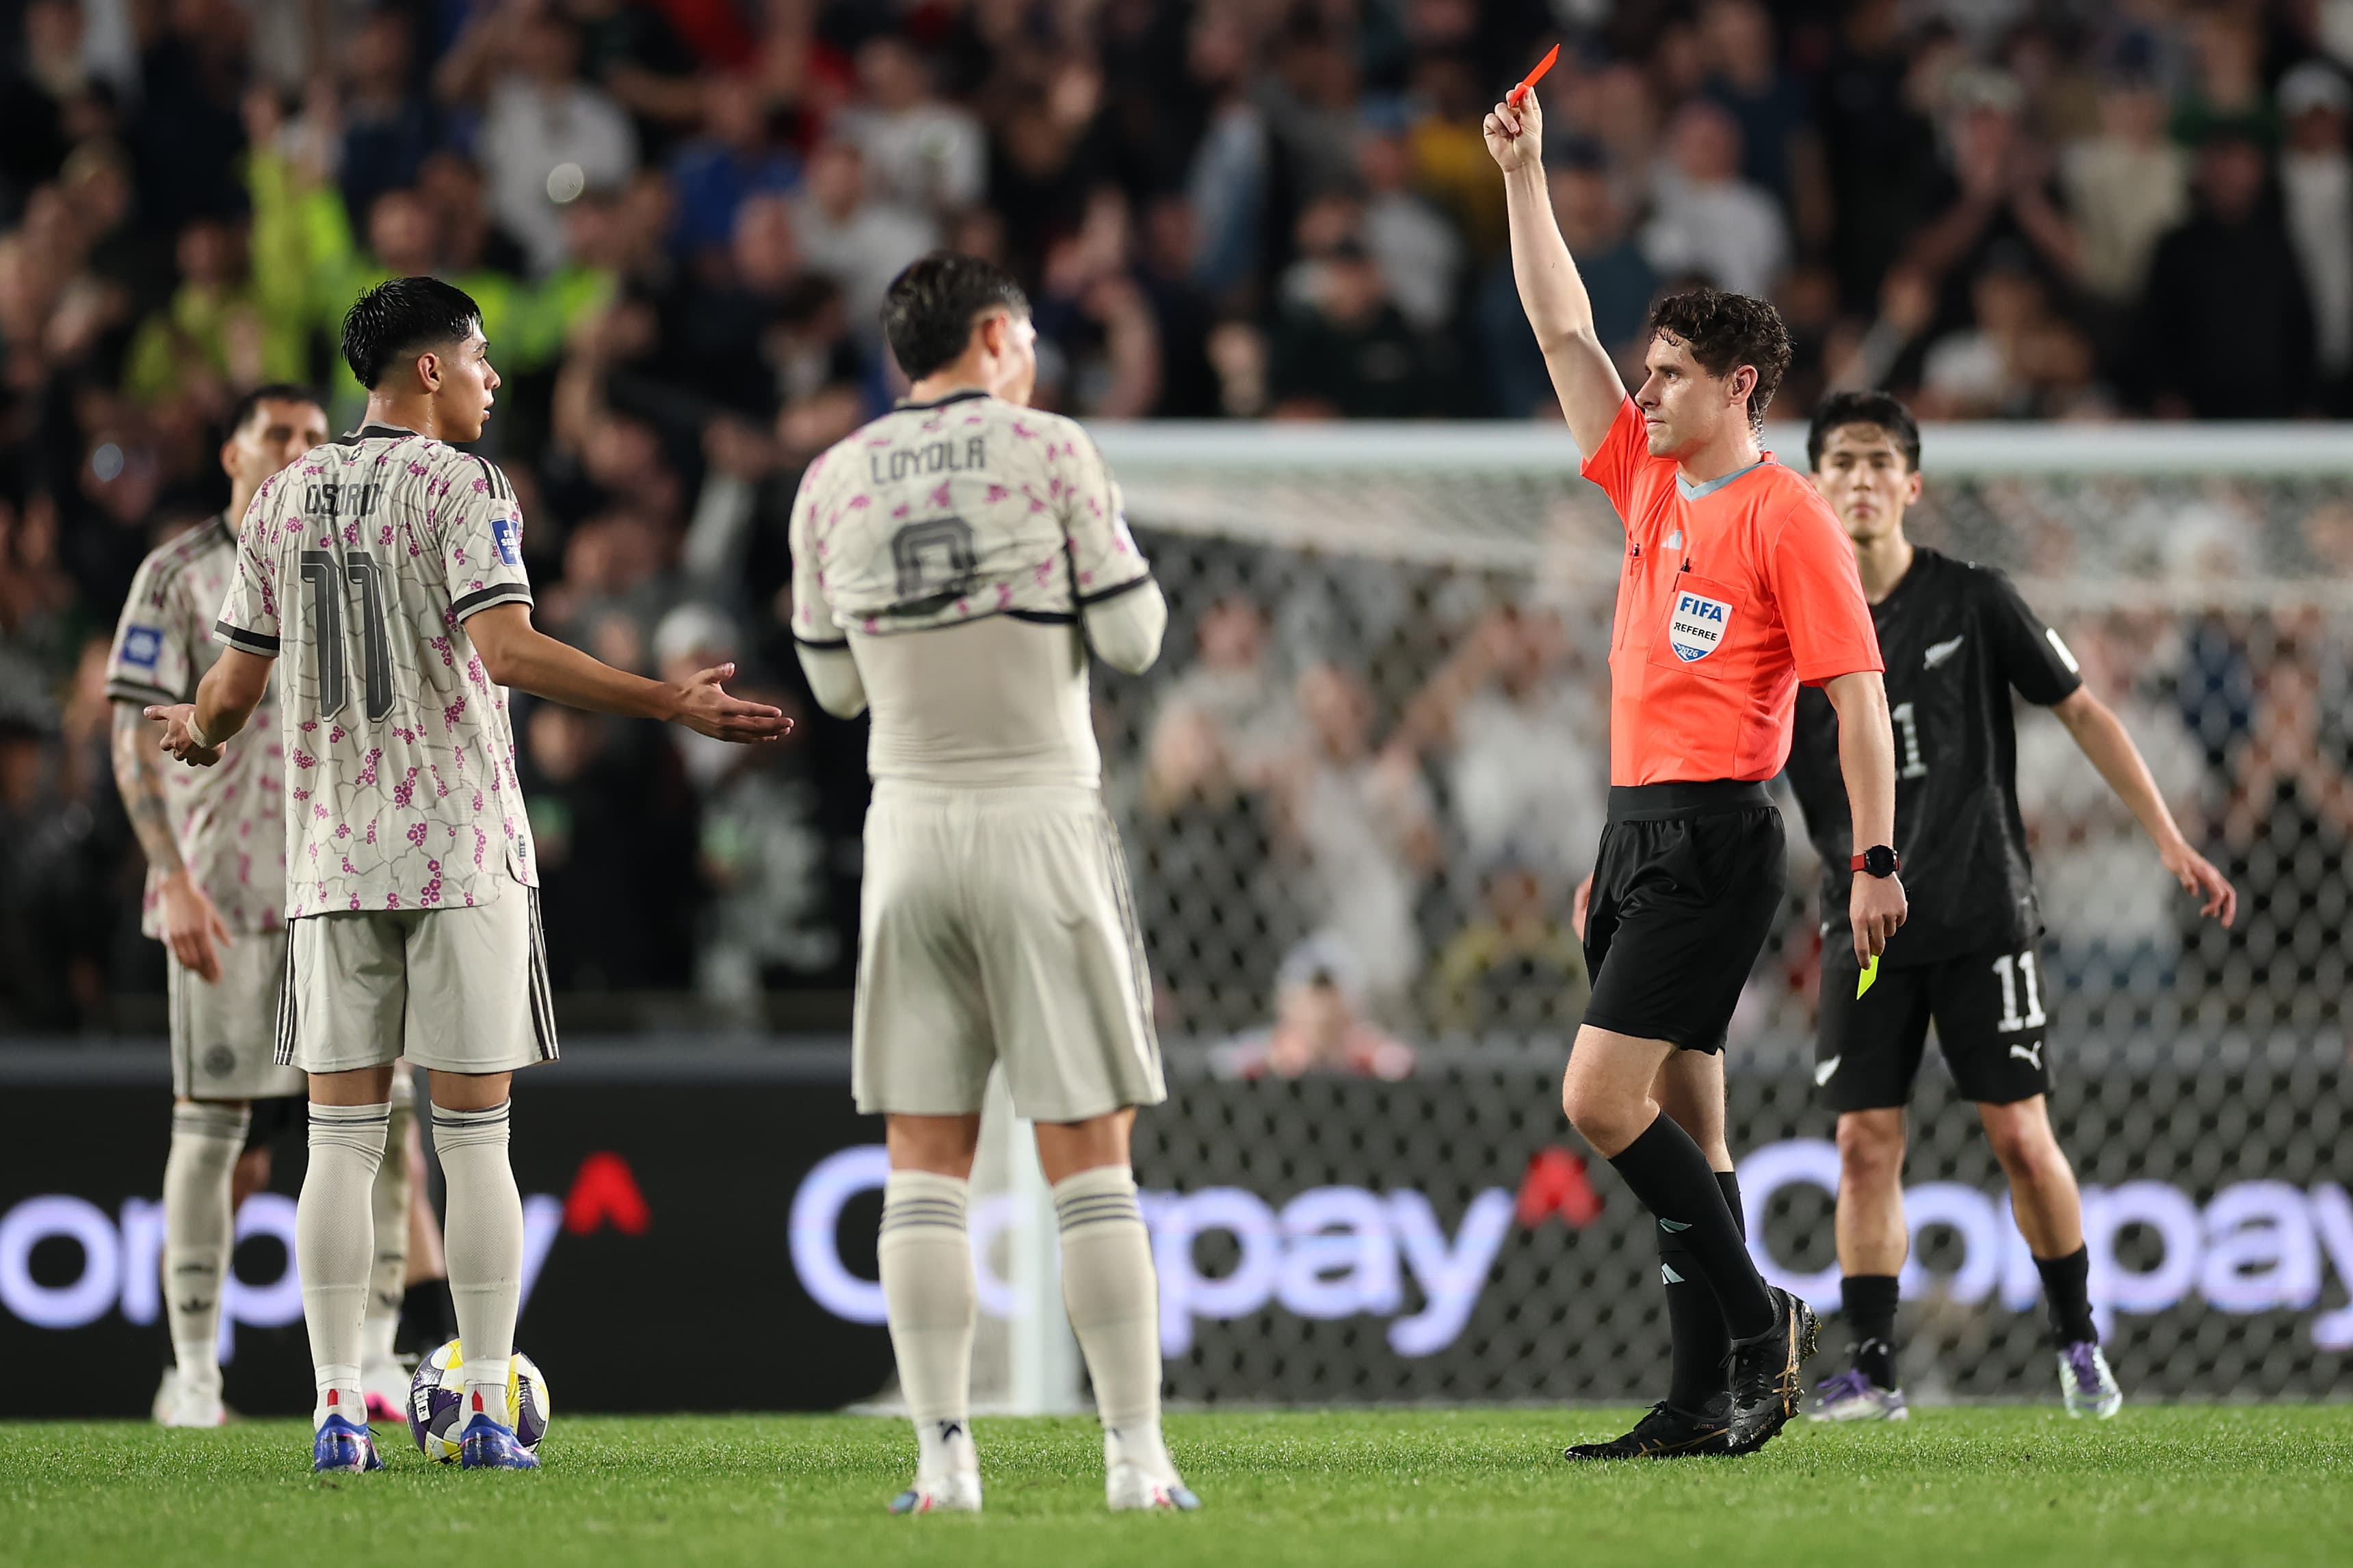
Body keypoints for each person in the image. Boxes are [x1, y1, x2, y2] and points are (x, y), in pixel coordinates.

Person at [148, 276, 789, 1474]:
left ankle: (339, 1409)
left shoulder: (282, 500)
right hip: (455, 848)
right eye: (482, 357)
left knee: (335, 1147)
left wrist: (200, 732)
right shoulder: (464, 486)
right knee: (473, 1140)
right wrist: (665, 700)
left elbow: (230, 690)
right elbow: (503, 647)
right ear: (429, 369)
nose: (496, 378)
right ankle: (486, 1404)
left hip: (332, 859)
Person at [1485, 86, 1904, 1461]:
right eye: (1643, 373)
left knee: (1596, 1102)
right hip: (1637, 828)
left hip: (1723, 835)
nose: (1639, 391)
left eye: (1663, 374)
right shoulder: (1651, 482)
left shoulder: (1788, 519)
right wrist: (1524, 173)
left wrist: (1875, 857)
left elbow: (1855, 697)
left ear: (1735, 388)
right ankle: (1694, 1401)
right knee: (1689, 1125)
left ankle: (1758, 1317)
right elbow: (1558, 325)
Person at [789, 253, 1196, 1515]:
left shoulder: (830, 478)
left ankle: (943, 1462)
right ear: (998, 334)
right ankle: (1134, 1459)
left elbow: (832, 688)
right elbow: (1136, 639)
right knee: (1091, 1162)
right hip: (1040, 818)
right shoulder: (1052, 450)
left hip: (908, 829)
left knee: (924, 1162)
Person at [1785, 392, 2237, 1423]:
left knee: (2021, 1137)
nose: (1860, 478)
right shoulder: (1785, 620)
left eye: (1878, 460)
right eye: (1841, 461)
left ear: (1912, 485)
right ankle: (1875, 1371)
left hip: (1981, 909)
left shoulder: (1974, 599)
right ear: (1815, 484)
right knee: (1863, 1142)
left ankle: (2078, 1341)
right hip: (1862, 923)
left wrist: (2167, 835)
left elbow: (2082, 707)